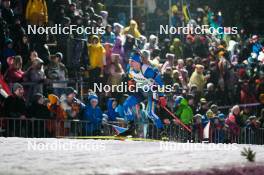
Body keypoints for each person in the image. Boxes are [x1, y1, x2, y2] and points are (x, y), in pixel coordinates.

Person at [120, 53, 167, 137]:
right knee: (126, 105)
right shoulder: (129, 68)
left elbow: (160, 82)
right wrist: (131, 82)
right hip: (141, 91)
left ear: (138, 62)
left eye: (133, 61)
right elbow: (131, 76)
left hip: (151, 92)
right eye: (130, 61)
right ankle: (131, 128)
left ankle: (162, 131)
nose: (130, 63)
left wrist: (161, 96)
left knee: (150, 113)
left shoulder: (146, 70)